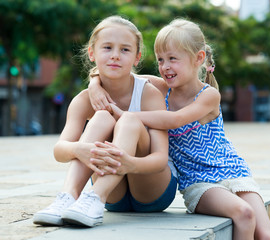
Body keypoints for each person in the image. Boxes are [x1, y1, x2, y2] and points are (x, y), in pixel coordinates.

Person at [89, 19, 270, 239]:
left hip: (234, 171)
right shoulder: (160, 88)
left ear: (198, 58)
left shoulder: (209, 95)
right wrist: (94, 84)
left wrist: (127, 115)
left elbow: (176, 119)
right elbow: (117, 74)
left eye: (173, 59)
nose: (165, 67)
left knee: (267, 234)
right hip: (198, 181)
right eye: (161, 59)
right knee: (244, 214)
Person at [33, 15, 177, 228]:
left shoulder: (148, 93)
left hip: (153, 191)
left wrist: (131, 164)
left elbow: (159, 158)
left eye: (125, 50)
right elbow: (59, 149)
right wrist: (80, 149)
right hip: (114, 199)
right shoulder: (83, 100)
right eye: (107, 47)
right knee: (101, 117)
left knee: (128, 120)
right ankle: (68, 196)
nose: (115, 56)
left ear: (137, 58)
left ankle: (95, 197)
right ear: (92, 53)